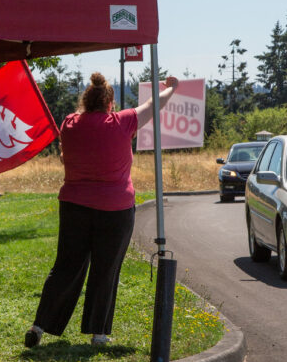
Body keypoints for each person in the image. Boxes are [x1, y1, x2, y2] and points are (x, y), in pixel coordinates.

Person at [24, 71, 179, 348]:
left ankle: (40, 325)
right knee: (105, 269)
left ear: (85, 99)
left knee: (66, 266)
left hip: (73, 205)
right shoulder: (122, 121)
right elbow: (154, 105)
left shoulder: (69, 123)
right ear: (110, 103)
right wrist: (171, 89)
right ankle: (98, 333)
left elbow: (64, 157)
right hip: (115, 209)